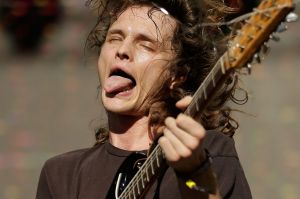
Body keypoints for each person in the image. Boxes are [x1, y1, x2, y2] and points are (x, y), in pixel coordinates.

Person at [36, 0, 252, 198]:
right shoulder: (61, 176)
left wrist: (195, 174)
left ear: (177, 75)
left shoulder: (210, 153)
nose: (122, 50)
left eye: (145, 45)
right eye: (115, 38)